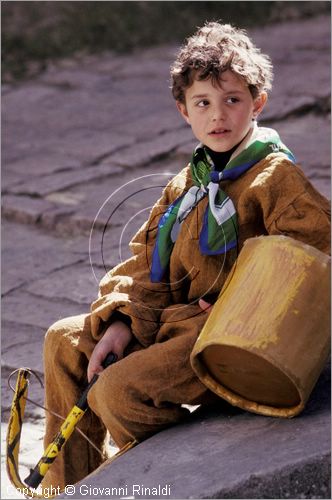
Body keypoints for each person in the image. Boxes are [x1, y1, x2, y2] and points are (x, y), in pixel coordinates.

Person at [42, 21, 330, 489]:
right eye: (203, 103)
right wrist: (121, 322)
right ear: (184, 111)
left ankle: (163, 479)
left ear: (258, 104)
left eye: (233, 100)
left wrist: (243, 304)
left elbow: (314, 253)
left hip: (225, 333)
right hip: (168, 321)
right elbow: (142, 259)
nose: (219, 116)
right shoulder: (187, 183)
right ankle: (72, 484)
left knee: (118, 391)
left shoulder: (275, 177)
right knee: (66, 341)